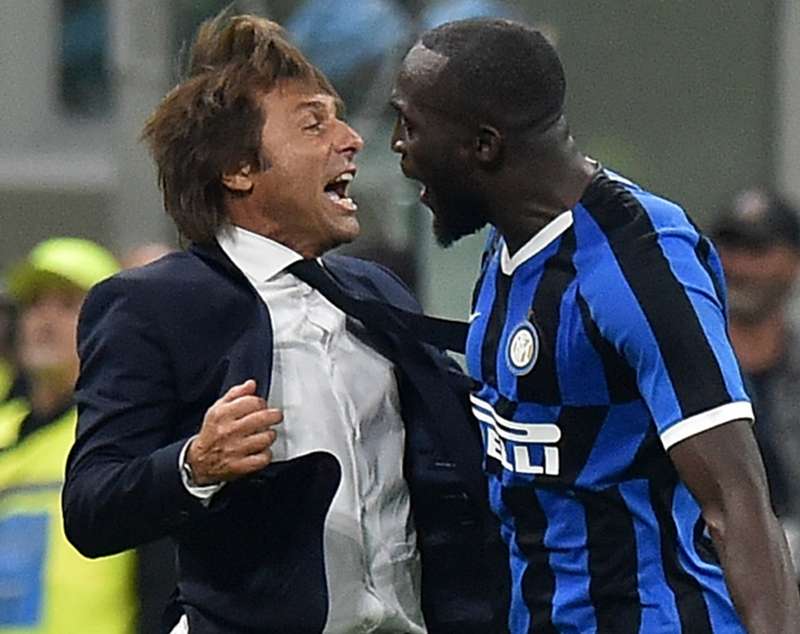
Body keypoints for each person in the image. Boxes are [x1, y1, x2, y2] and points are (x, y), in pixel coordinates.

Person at [63, 12, 506, 634]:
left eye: (339, 117)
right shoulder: (152, 305)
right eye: (313, 123)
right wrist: (195, 463)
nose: (351, 139)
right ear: (238, 169)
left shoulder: (376, 291)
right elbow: (91, 506)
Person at [390, 18, 800, 633]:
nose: (396, 145)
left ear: (484, 145)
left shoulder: (641, 263)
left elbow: (737, 506)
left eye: (411, 124)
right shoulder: (508, 249)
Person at [709, 188, 800, 633]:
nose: (740, 265)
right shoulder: (690, 362)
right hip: (707, 594)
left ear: (797, 263)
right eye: (730, 248)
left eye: (759, 251)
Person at [0, 237, 137, 633]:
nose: (44, 320)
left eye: (67, 305)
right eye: (34, 304)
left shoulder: (126, 437)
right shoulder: (5, 429)